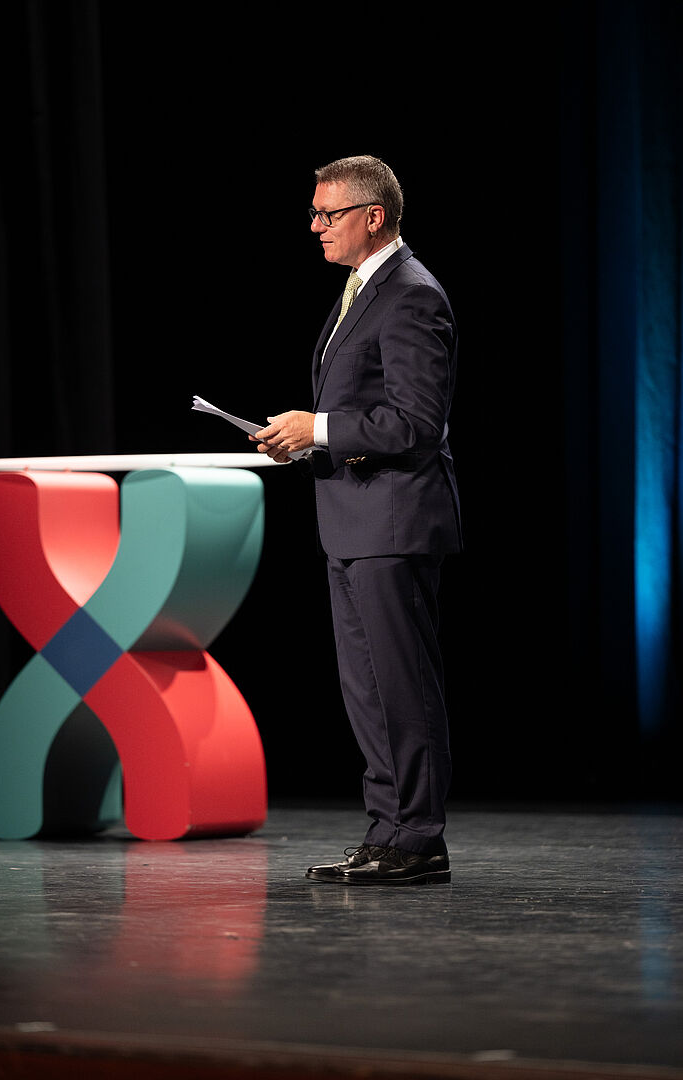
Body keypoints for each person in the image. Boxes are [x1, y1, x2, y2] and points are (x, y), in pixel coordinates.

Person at [253, 155, 462, 885]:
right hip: (354, 520)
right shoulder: (362, 290)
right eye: (313, 213)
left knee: (400, 684)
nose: (315, 226)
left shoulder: (410, 294)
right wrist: (307, 439)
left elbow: (416, 423)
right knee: (368, 688)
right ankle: (389, 831)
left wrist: (319, 428)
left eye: (328, 213)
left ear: (374, 216)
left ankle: (418, 838)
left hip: (393, 524)